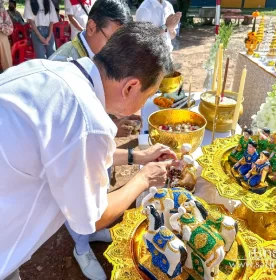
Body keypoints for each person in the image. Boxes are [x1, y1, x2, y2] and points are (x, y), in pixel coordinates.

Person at [0, 22, 176, 280]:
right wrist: (144, 177)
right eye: (147, 96)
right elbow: (93, 218)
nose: (143, 104)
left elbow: (69, 155)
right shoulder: (88, 121)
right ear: (130, 87)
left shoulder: (52, 68)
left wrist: (136, 156)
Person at [50, 0, 139, 138]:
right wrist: (108, 125)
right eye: (112, 42)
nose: (118, 52)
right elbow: (62, 128)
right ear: (91, 27)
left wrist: (117, 110)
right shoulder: (64, 66)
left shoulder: (98, 54)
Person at [0, 0, 13, 72]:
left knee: (7, 65)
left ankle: (9, 78)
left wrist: (2, 26)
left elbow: (10, 27)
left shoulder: (2, 9)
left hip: (2, 35)